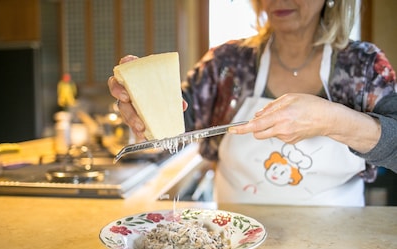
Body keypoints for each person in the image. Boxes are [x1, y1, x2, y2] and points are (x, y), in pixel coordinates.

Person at [108, 0, 397, 206]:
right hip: (233, 241)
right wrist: (142, 101)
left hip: (337, 246)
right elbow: (173, 123)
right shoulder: (227, 63)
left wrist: (331, 119)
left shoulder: (364, 66)